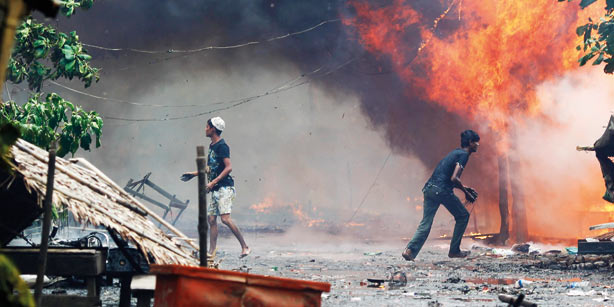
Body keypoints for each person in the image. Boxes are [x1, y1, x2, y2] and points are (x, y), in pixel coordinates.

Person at [402, 130, 480, 260]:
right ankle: (454, 251)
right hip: (441, 190)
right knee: (463, 216)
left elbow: (447, 177)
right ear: (470, 143)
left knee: (425, 224)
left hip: (430, 188)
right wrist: (466, 193)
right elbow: (454, 178)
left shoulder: (455, 152)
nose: (478, 145)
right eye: (476, 142)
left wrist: (465, 188)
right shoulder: (464, 155)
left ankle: (409, 251)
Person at [182, 117, 250, 258]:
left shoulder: (222, 146)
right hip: (216, 189)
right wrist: (194, 174)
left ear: (213, 129)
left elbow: (229, 168)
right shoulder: (213, 146)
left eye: (207, 127)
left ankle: (245, 246)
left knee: (225, 219)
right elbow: (211, 167)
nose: (205, 129)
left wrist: (213, 182)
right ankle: (211, 252)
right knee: (212, 220)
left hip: (225, 188)